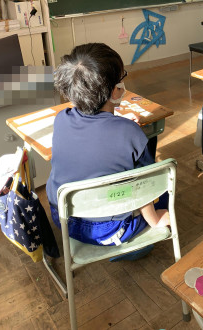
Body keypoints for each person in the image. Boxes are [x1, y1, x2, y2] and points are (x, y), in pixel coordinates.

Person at [47, 43, 169, 256]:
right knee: (163, 189)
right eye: (122, 77)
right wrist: (156, 220)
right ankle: (134, 249)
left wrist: (121, 124)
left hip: (63, 219)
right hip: (109, 230)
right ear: (114, 90)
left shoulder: (61, 119)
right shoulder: (129, 133)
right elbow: (145, 188)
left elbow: (94, 138)